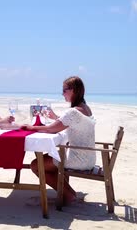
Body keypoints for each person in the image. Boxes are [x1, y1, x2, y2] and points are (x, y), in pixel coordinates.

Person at [22, 76, 95, 204]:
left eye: (64, 90)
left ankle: (67, 195)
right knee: (47, 161)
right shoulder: (85, 108)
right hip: (88, 156)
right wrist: (55, 117)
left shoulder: (73, 112)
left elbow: (52, 129)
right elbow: (70, 124)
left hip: (78, 159)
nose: (62, 94)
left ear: (73, 90)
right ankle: (69, 192)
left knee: (36, 165)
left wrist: (31, 127)